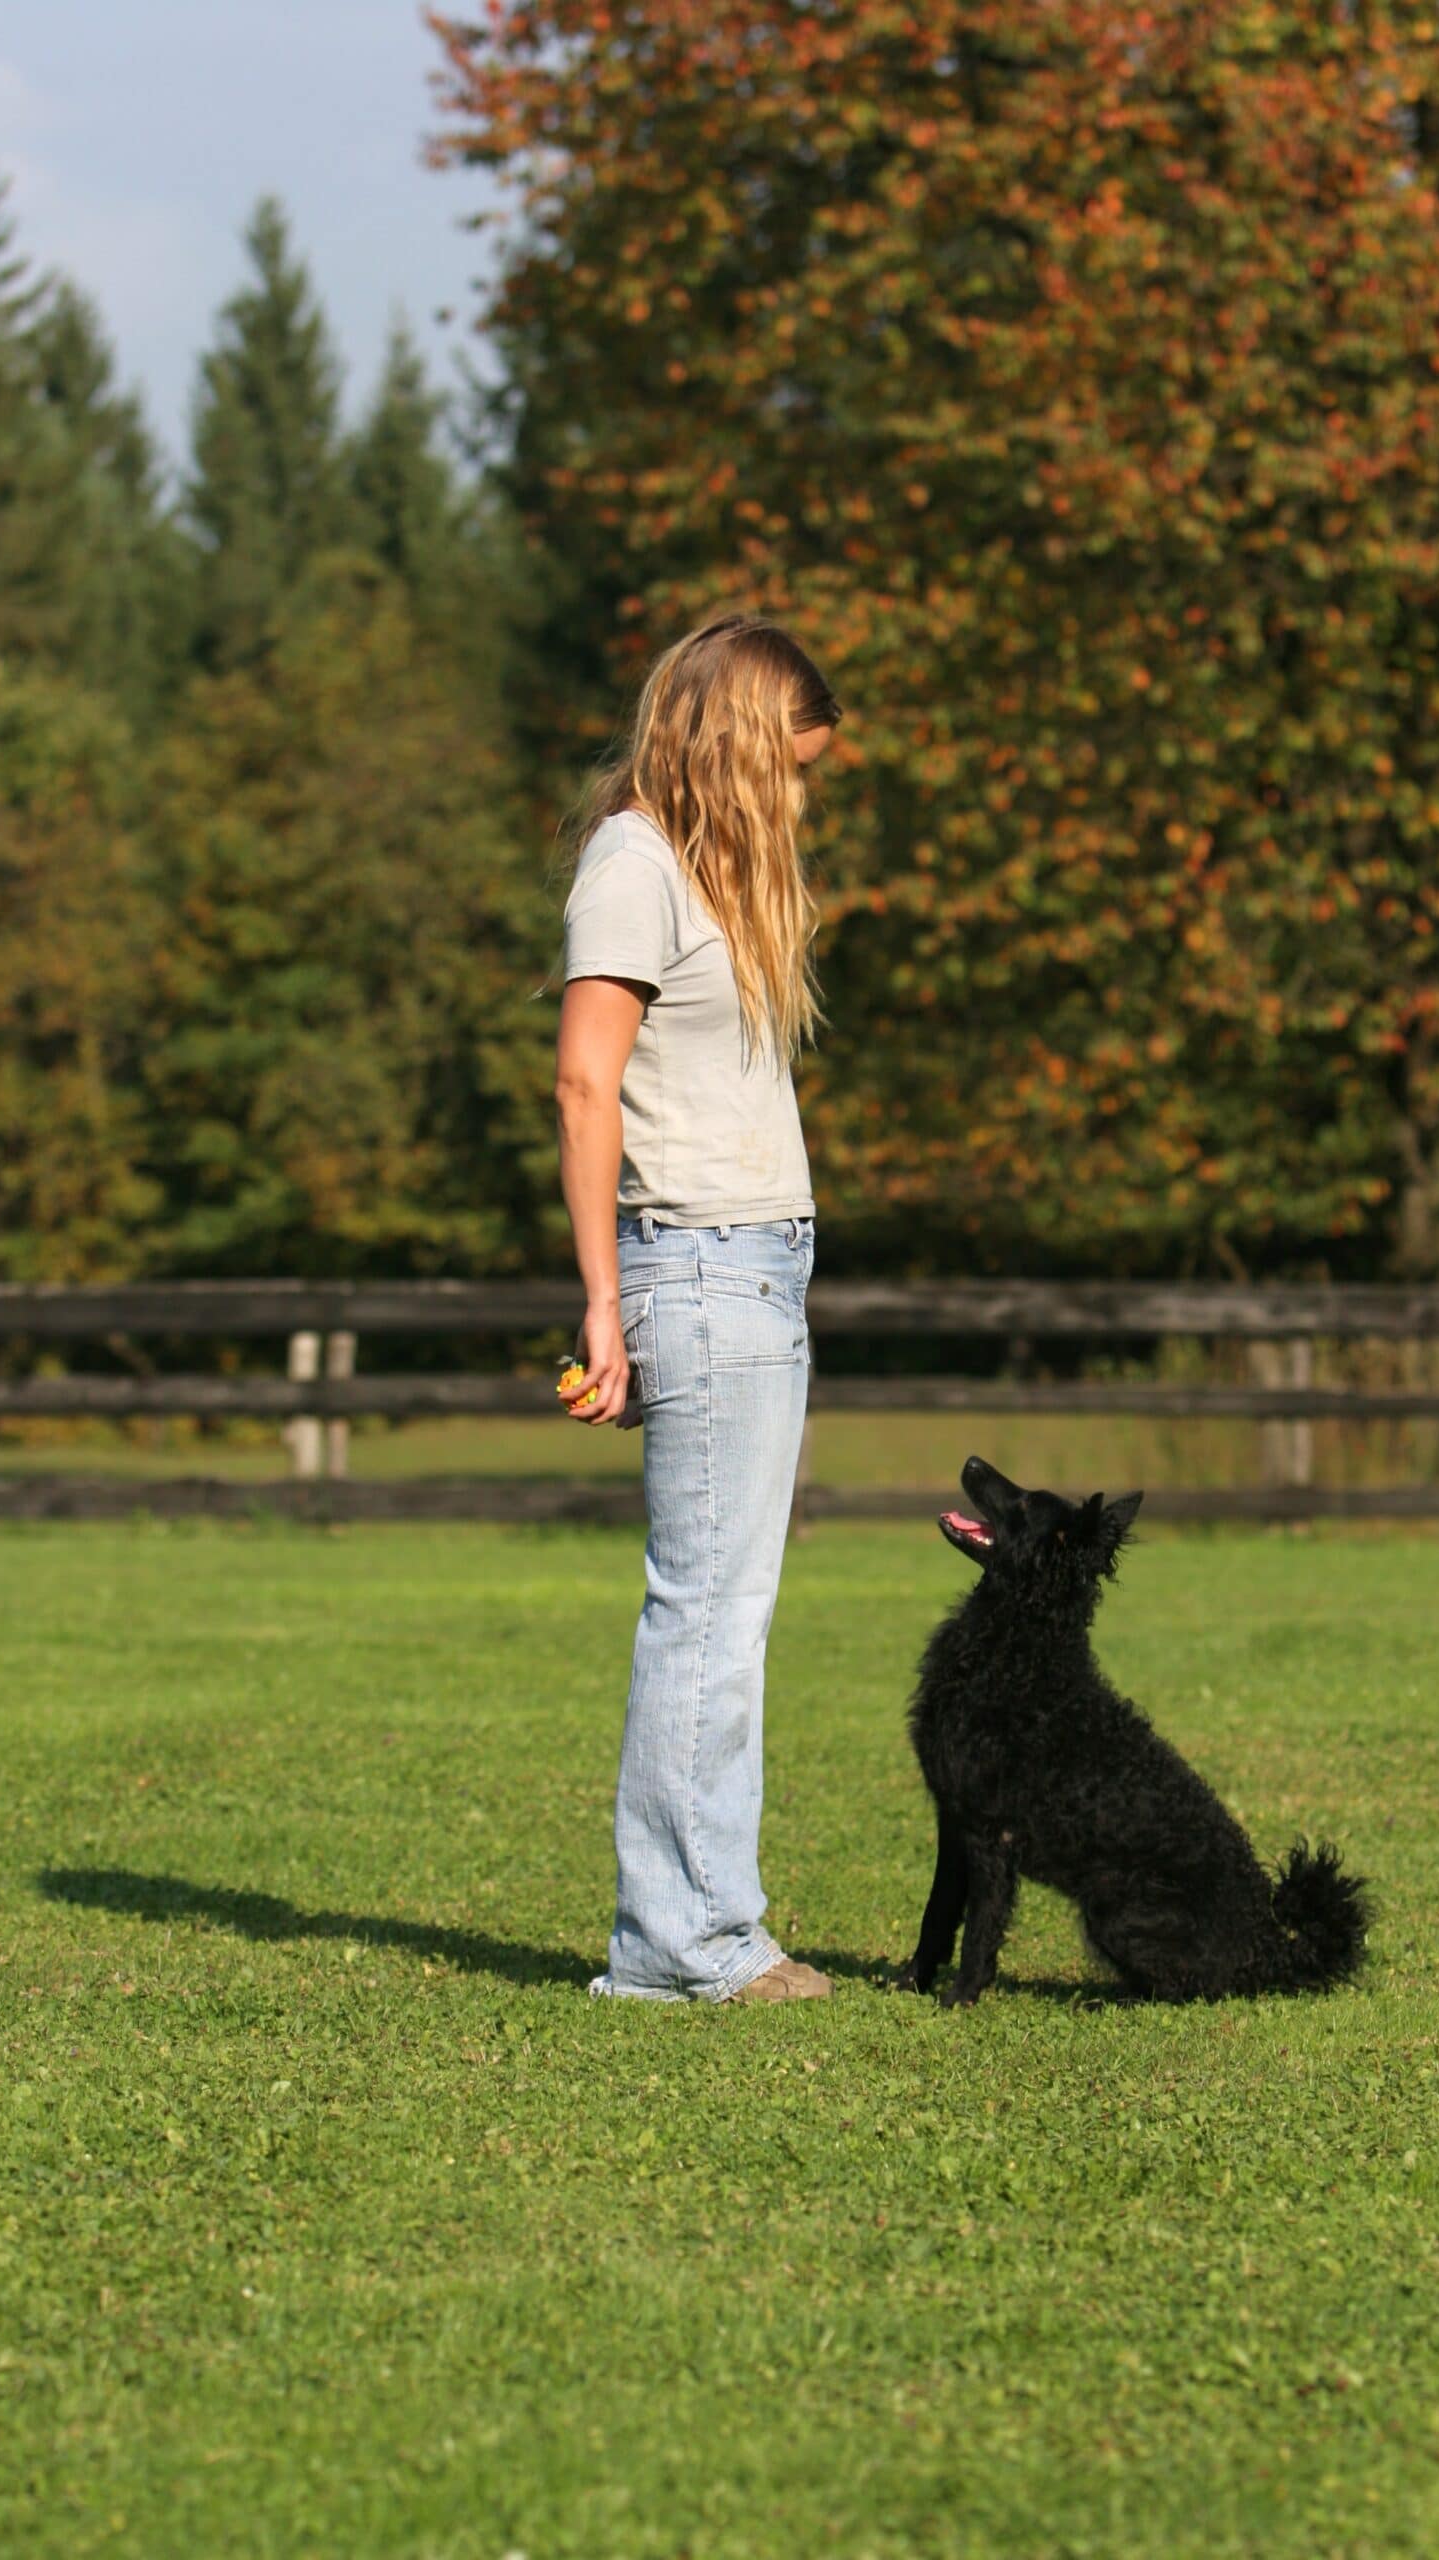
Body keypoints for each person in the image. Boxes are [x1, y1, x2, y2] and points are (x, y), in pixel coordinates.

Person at [553, 611, 841, 2002]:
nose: (801, 798)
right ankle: (684, 1948)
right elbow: (583, 1084)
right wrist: (605, 1304)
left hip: (759, 1269)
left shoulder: (707, 881)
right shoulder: (632, 867)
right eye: (794, 767)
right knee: (706, 1612)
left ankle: (711, 1925)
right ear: (737, 746)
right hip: (701, 1269)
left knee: (734, 1609)